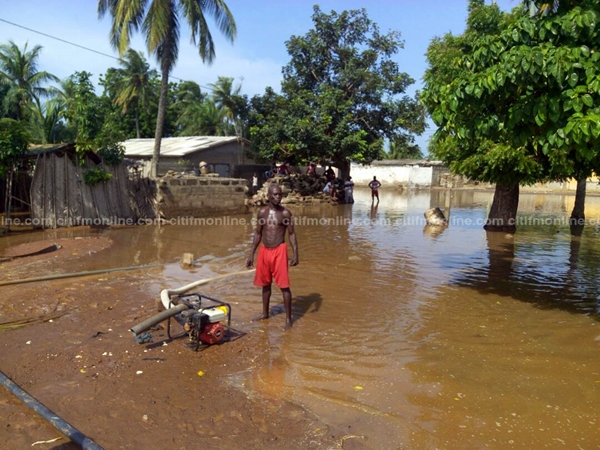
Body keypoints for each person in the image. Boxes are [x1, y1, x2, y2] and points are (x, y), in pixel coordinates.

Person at [246, 184, 299, 329]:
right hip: (264, 251)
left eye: (280, 194)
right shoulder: (262, 212)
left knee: (284, 286)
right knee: (265, 284)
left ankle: (288, 319)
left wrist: (296, 254)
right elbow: (258, 234)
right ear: (268, 196)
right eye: (275, 194)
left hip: (279, 251)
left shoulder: (285, 214)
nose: (278, 197)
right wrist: (251, 254)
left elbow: (292, 234)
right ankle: (265, 313)